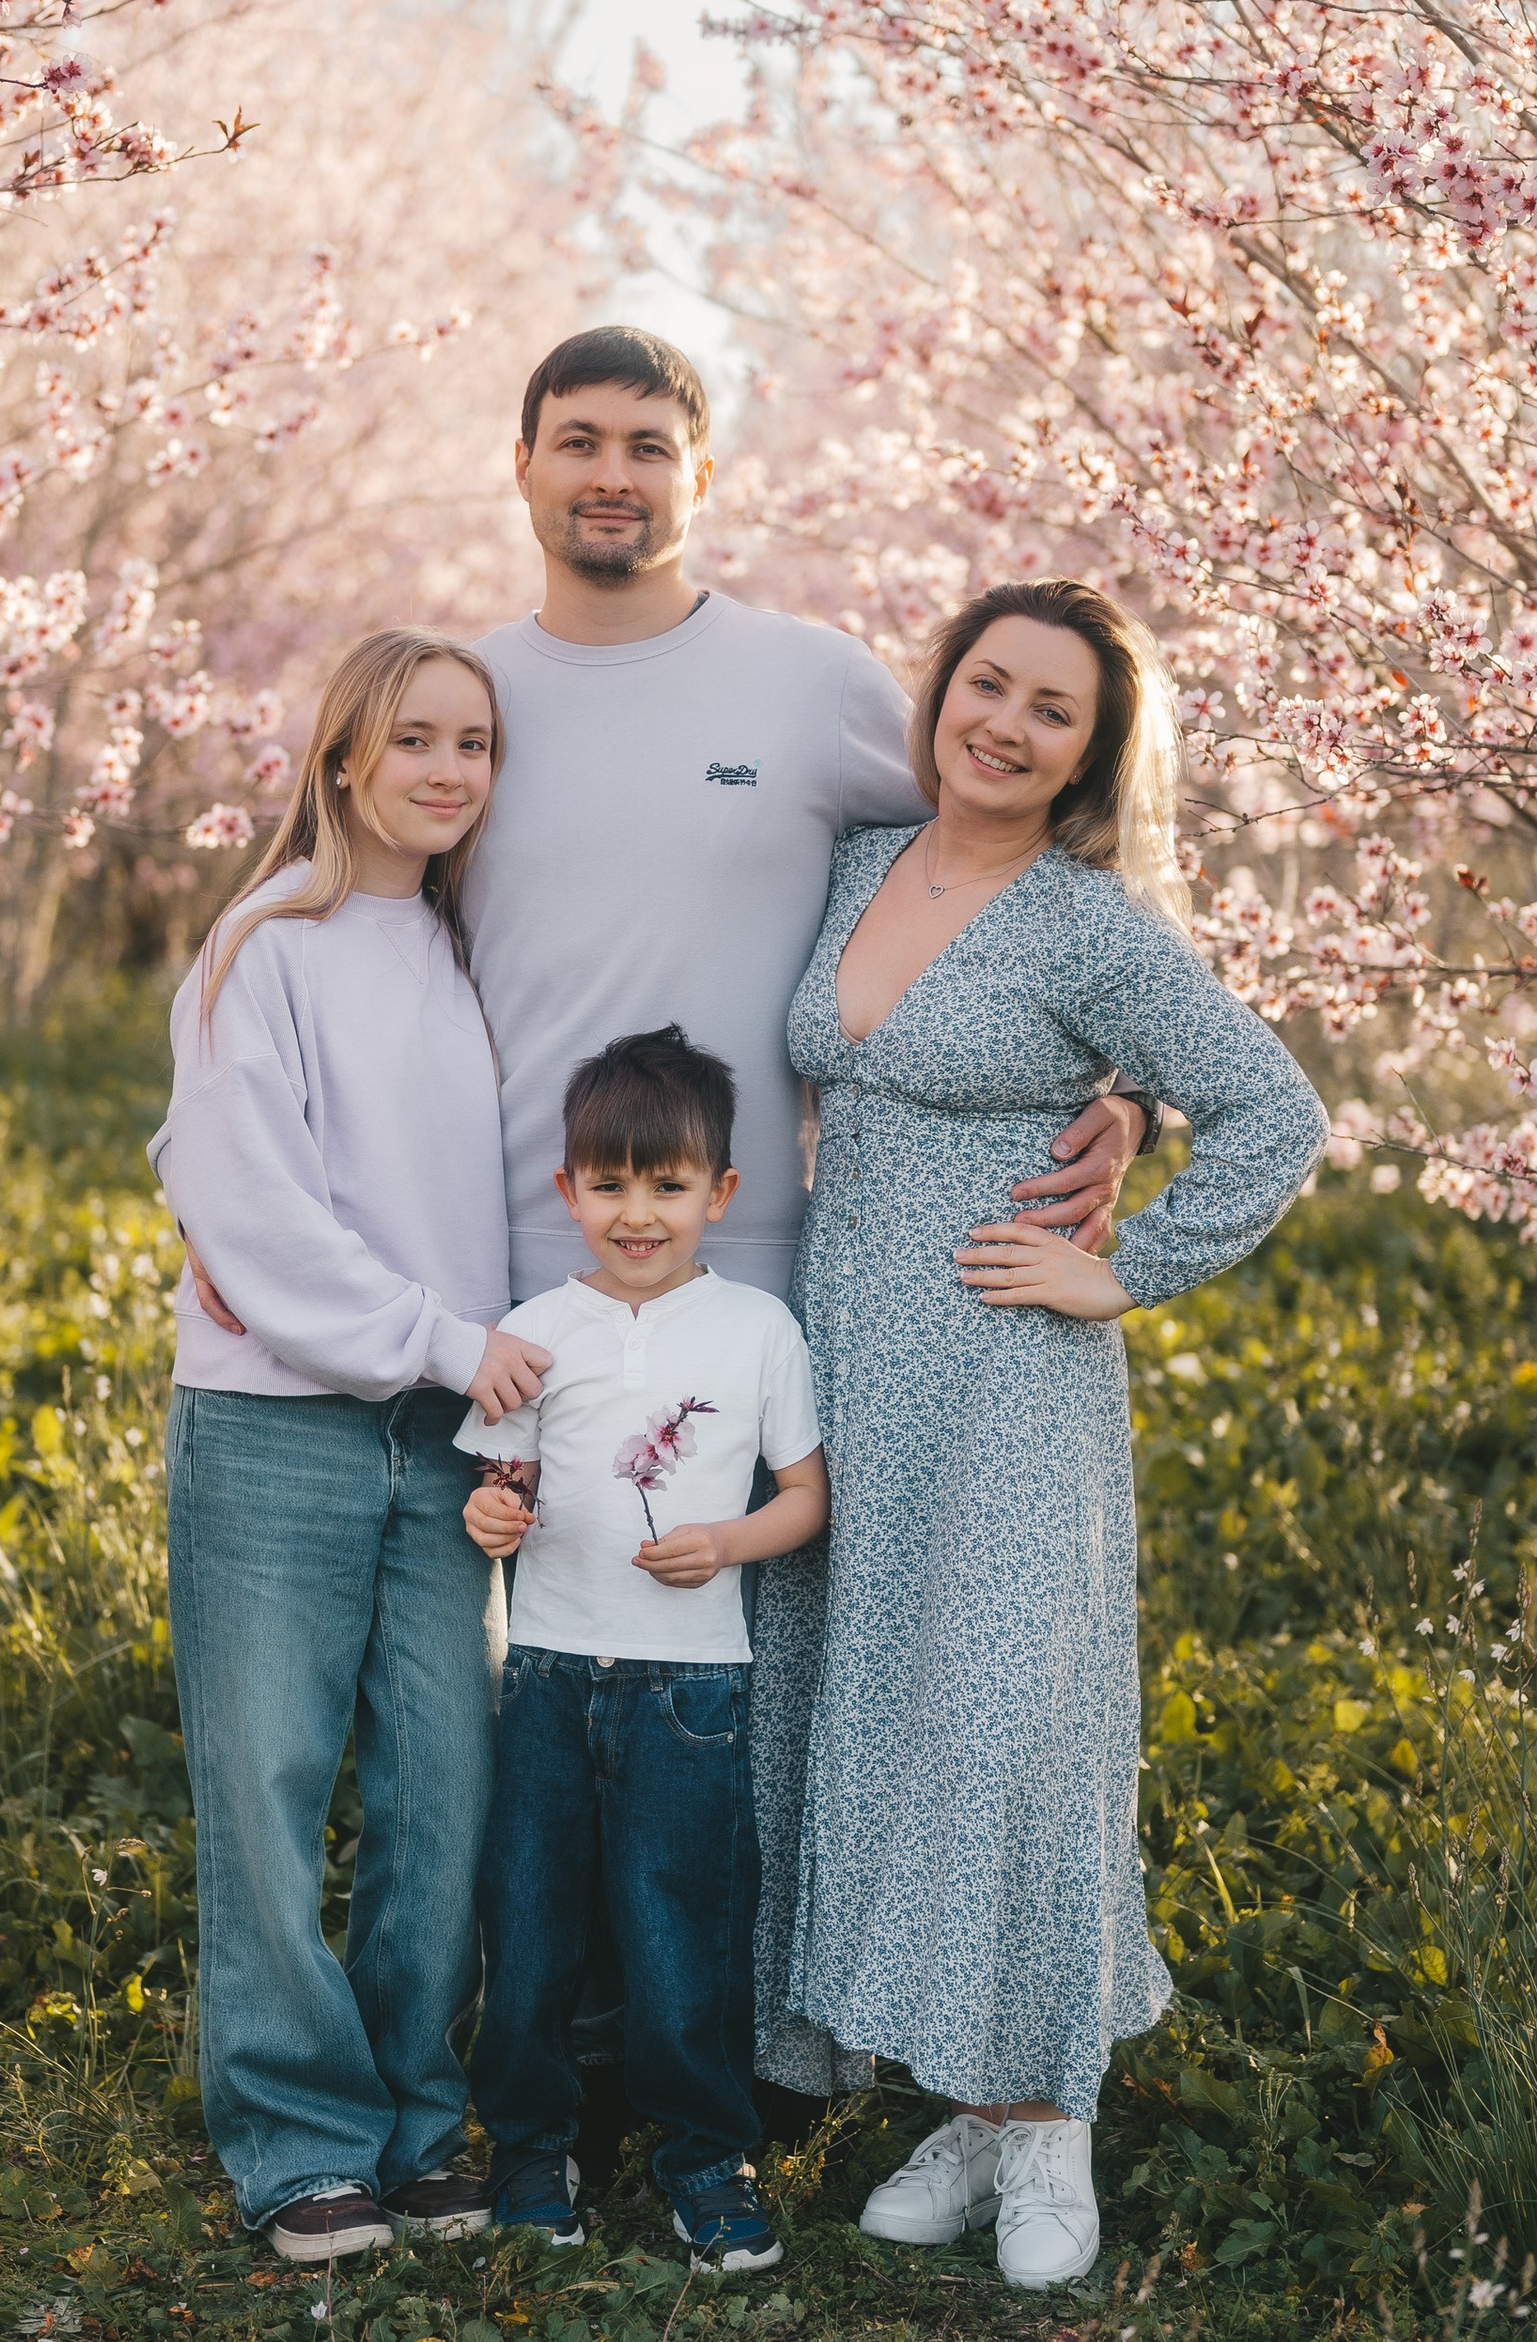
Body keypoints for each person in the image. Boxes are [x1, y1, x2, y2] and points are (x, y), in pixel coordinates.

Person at [181, 330, 1148, 2152]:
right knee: (534, 1670)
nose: (609, 472)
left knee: (746, 1678)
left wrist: (1120, 1084)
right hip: (498, 1292)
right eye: (576, 442)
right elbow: (327, 895)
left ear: (703, 471)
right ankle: (530, 2047)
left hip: (773, 1270)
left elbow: (1003, 859)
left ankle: (744, 2053)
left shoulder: (807, 685)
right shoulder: (466, 704)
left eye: (647, 442)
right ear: (524, 466)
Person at [767, 578, 1329, 2291]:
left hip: (1010, 1375)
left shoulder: (1084, 921)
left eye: (1051, 708)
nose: (1003, 723)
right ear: (940, 692)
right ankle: (962, 2095)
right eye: (986, 684)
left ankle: (1050, 2112)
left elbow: (1276, 1108)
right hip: (842, 1359)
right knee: (868, 1709)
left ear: (1090, 750)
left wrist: (1123, 1268)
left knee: (1007, 1726)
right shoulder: (859, 859)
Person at [152, 631, 554, 2270]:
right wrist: (452, 1345)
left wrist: (501, 1401)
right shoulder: (269, 946)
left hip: (448, 1440)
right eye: (413, 739)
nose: (447, 769)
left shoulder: (463, 956)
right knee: (264, 1783)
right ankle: (299, 2135)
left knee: (444, 1794)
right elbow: (249, 1216)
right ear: (340, 759)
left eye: (474, 741)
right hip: (278, 1428)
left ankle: (419, 2111)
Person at [457, 1026, 828, 2273]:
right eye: (608, 1184)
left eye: (667, 1185)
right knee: (532, 1924)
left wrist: (721, 1541)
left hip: (693, 1689)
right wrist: (492, 1516)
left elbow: (806, 1499)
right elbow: (496, 1488)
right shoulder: (532, 1328)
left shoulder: (756, 1329)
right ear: (566, 1190)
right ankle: (528, 2145)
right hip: (551, 1672)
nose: (637, 1212)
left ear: (720, 1194)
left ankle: (704, 2158)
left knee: (684, 1933)